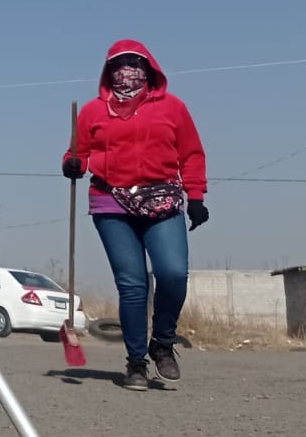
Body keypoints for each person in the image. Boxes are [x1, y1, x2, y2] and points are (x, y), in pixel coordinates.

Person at [64, 40, 207, 391]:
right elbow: (77, 154)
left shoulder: (173, 108)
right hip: (110, 201)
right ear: (108, 70)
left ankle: (163, 342)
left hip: (162, 200)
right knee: (133, 285)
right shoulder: (93, 112)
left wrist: (197, 195)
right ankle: (136, 363)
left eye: (135, 63)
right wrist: (72, 165)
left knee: (173, 273)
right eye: (120, 64)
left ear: (150, 68)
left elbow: (191, 153)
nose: (127, 71)